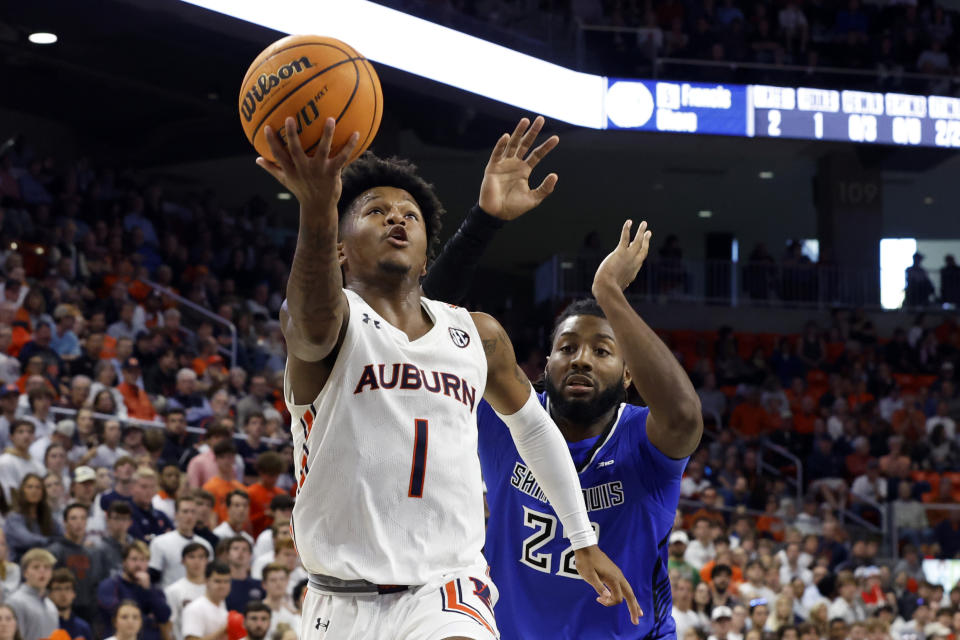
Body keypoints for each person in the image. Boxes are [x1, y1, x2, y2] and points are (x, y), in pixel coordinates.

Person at [262, 113, 637, 639]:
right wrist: (318, 205)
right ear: (340, 247)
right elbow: (312, 321)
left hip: (446, 588)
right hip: (338, 599)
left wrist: (582, 538)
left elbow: (532, 428)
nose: (397, 219)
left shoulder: (475, 334)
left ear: (424, 258)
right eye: (375, 210)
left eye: (410, 215)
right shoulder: (330, 323)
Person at [468, 219, 702, 637]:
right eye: (567, 347)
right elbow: (418, 334)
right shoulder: (504, 416)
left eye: (602, 350)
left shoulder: (644, 440)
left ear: (629, 375)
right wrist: (483, 218)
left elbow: (685, 416)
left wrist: (610, 294)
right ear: (546, 364)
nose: (581, 359)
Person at [96, 541, 172, 640]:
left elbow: (164, 616)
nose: (138, 564)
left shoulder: (153, 589)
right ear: (124, 562)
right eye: (134, 559)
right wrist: (149, 619)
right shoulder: (110, 585)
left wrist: (148, 590)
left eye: (143, 560)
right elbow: (120, 614)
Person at [45, 503, 98, 624]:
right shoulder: (55, 551)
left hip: (87, 612)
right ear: (65, 522)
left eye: (83, 518)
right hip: (60, 612)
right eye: (73, 518)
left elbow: (94, 584)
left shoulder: (90, 552)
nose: (78, 522)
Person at [148, 495, 214, 588]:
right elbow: (153, 578)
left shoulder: (205, 545)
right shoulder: (159, 542)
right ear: (176, 515)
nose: (189, 516)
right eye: (185, 511)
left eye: (193, 512)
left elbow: (209, 576)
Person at [4, 473, 62, 560]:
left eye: (38, 487)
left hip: (46, 562)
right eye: (30, 487)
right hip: (20, 563)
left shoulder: (47, 518)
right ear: (23, 491)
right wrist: (51, 540)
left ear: (43, 492)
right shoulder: (13, 518)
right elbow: (27, 540)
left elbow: (62, 536)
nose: (34, 491)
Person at [6, 548, 58, 640]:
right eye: (36, 567)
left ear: (51, 573)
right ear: (25, 573)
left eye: (46, 567)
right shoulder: (15, 601)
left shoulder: (51, 605)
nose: (42, 571)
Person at [164, 542, 210, 640]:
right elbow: (169, 626)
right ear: (183, 561)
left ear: (207, 561)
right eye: (191, 557)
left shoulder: (216, 588)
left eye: (201, 557)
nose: (196, 562)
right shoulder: (173, 590)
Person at [181, 561, 231, 640]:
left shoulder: (222, 605)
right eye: (217, 581)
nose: (223, 586)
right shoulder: (195, 609)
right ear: (206, 581)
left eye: (226, 581)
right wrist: (223, 629)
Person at [0, 420, 44, 503]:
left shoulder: (38, 465)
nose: (26, 435)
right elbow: (9, 493)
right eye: (20, 432)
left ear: (34, 437)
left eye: (30, 432)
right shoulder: (4, 461)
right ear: (11, 437)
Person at [127, 466, 173, 541]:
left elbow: (174, 538)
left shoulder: (161, 515)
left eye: (152, 487)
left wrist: (150, 538)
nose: (149, 491)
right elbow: (140, 542)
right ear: (132, 488)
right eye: (144, 487)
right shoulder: (126, 514)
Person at [47, 568, 93, 640]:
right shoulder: (44, 625)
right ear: (50, 594)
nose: (63, 594)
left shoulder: (83, 627)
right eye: (58, 589)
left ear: (74, 593)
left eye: (67, 588)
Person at [93, 500, 134, 578]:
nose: (121, 523)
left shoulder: (135, 546)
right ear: (107, 520)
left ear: (130, 522)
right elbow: (96, 580)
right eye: (116, 518)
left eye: (124, 519)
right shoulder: (99, 549)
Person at [223, 536, 264, 612]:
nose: (240, 552)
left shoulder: (260, 585)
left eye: (244, 549)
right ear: (228, 554)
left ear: (250, 555)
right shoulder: (220, 583)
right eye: (235, 548)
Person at [261, 563, 299, 636]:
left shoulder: (291, 613)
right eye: (273, 580)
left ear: (287, 581)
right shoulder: (258, 613)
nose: (278, 583)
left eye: (282, 579)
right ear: (264, 584)